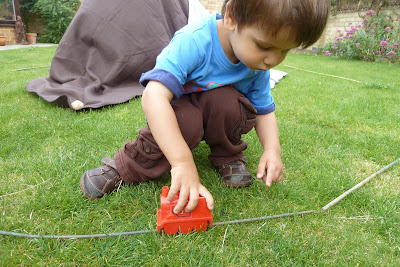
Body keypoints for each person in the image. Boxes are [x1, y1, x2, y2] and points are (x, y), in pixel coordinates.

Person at [80, 0, 329, 214]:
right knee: (186, 121)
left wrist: (272, 150)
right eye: (264, 46)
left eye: (285, 50)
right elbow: (153, 96)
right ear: (231, 17)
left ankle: (227, 156)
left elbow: (264, 109)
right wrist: (181, 162)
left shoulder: (256, 65)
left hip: (215, 108)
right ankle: (126, 166)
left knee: (230, 104)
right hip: (178, 108)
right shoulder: (194, 41)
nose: (272, 60)